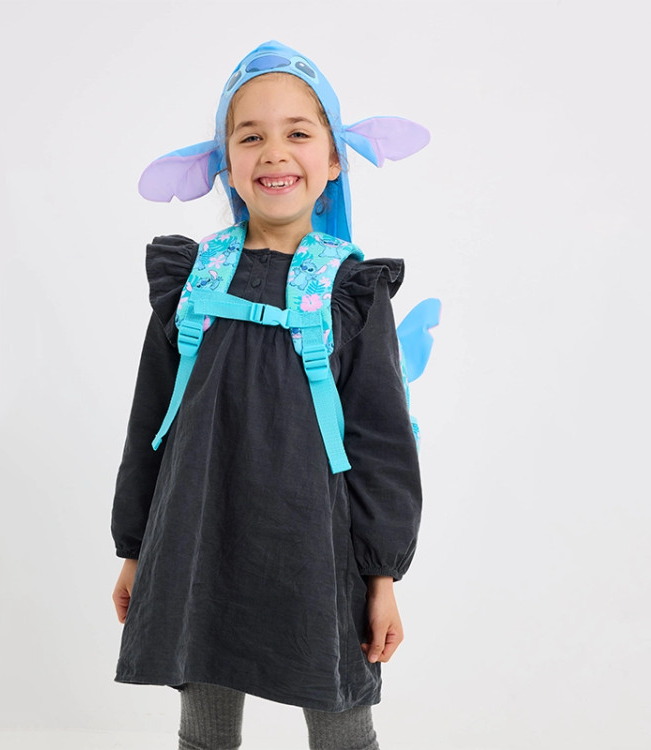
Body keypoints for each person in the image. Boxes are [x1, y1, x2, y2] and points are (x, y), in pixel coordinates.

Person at [110, 40, 429, 750]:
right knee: (205, 727)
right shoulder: (193, 280)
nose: (274, 153)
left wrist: (382, 576)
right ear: (225, 163)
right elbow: (151, 421)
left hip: (315, 548)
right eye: (250, 137)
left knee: (342, 726)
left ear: (334, 158)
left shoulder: (350, 290)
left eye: (298, 134)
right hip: (197, 540)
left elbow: (381, 441)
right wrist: (136, 548)